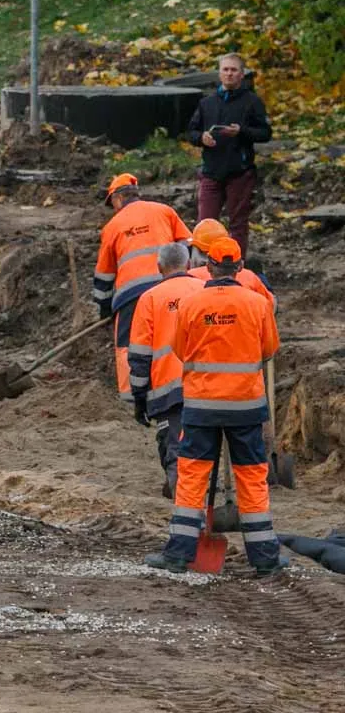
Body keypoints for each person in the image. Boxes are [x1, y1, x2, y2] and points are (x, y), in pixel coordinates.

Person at [146, 236, 285, 575]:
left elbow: (180, 349)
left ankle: (179, 555)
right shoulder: (257, 303)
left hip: (200, 406)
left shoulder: (191, 304)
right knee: (252, 479)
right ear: (239, 267)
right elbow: (269, 349)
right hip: (246, 406)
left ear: (207, 267)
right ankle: (265, 560)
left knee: (192, 478)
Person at [93, 172, 192, 397]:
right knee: (172, 335)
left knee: (129, 343)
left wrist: (105, 308)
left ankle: (132, 396)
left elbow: (104, 275)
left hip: (130, 297)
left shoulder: (112, 226)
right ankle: (180, 385)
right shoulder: (164, 211)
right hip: (170, 285)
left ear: (117, 199)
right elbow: (189, 246)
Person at [128, 243, 202, 496]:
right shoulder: (204, 290)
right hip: (208, 383)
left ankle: (181, 493)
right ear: (189, 265)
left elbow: (139, 355)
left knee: (174, 444)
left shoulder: (150, 298)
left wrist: (139, 398)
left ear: (159, 268)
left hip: (168, 389)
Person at [184, 53, 271, 259]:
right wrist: (201, 138)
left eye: (234, 70)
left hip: (240, 172)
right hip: (211, 172)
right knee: (205, 223)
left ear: (242, 74)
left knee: (238, 223)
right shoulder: (207, 103)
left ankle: (235, 265)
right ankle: (202, 267)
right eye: (226, 70)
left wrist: (241, 131)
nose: (229, 74)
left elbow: (265, 133)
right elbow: (191, 132)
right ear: (219, 73)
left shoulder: (252, 102)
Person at [187, 218, 275, 309]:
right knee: (254, 264)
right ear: (240, 266)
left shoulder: (188, 279)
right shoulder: (249, 277)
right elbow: (270, 306)